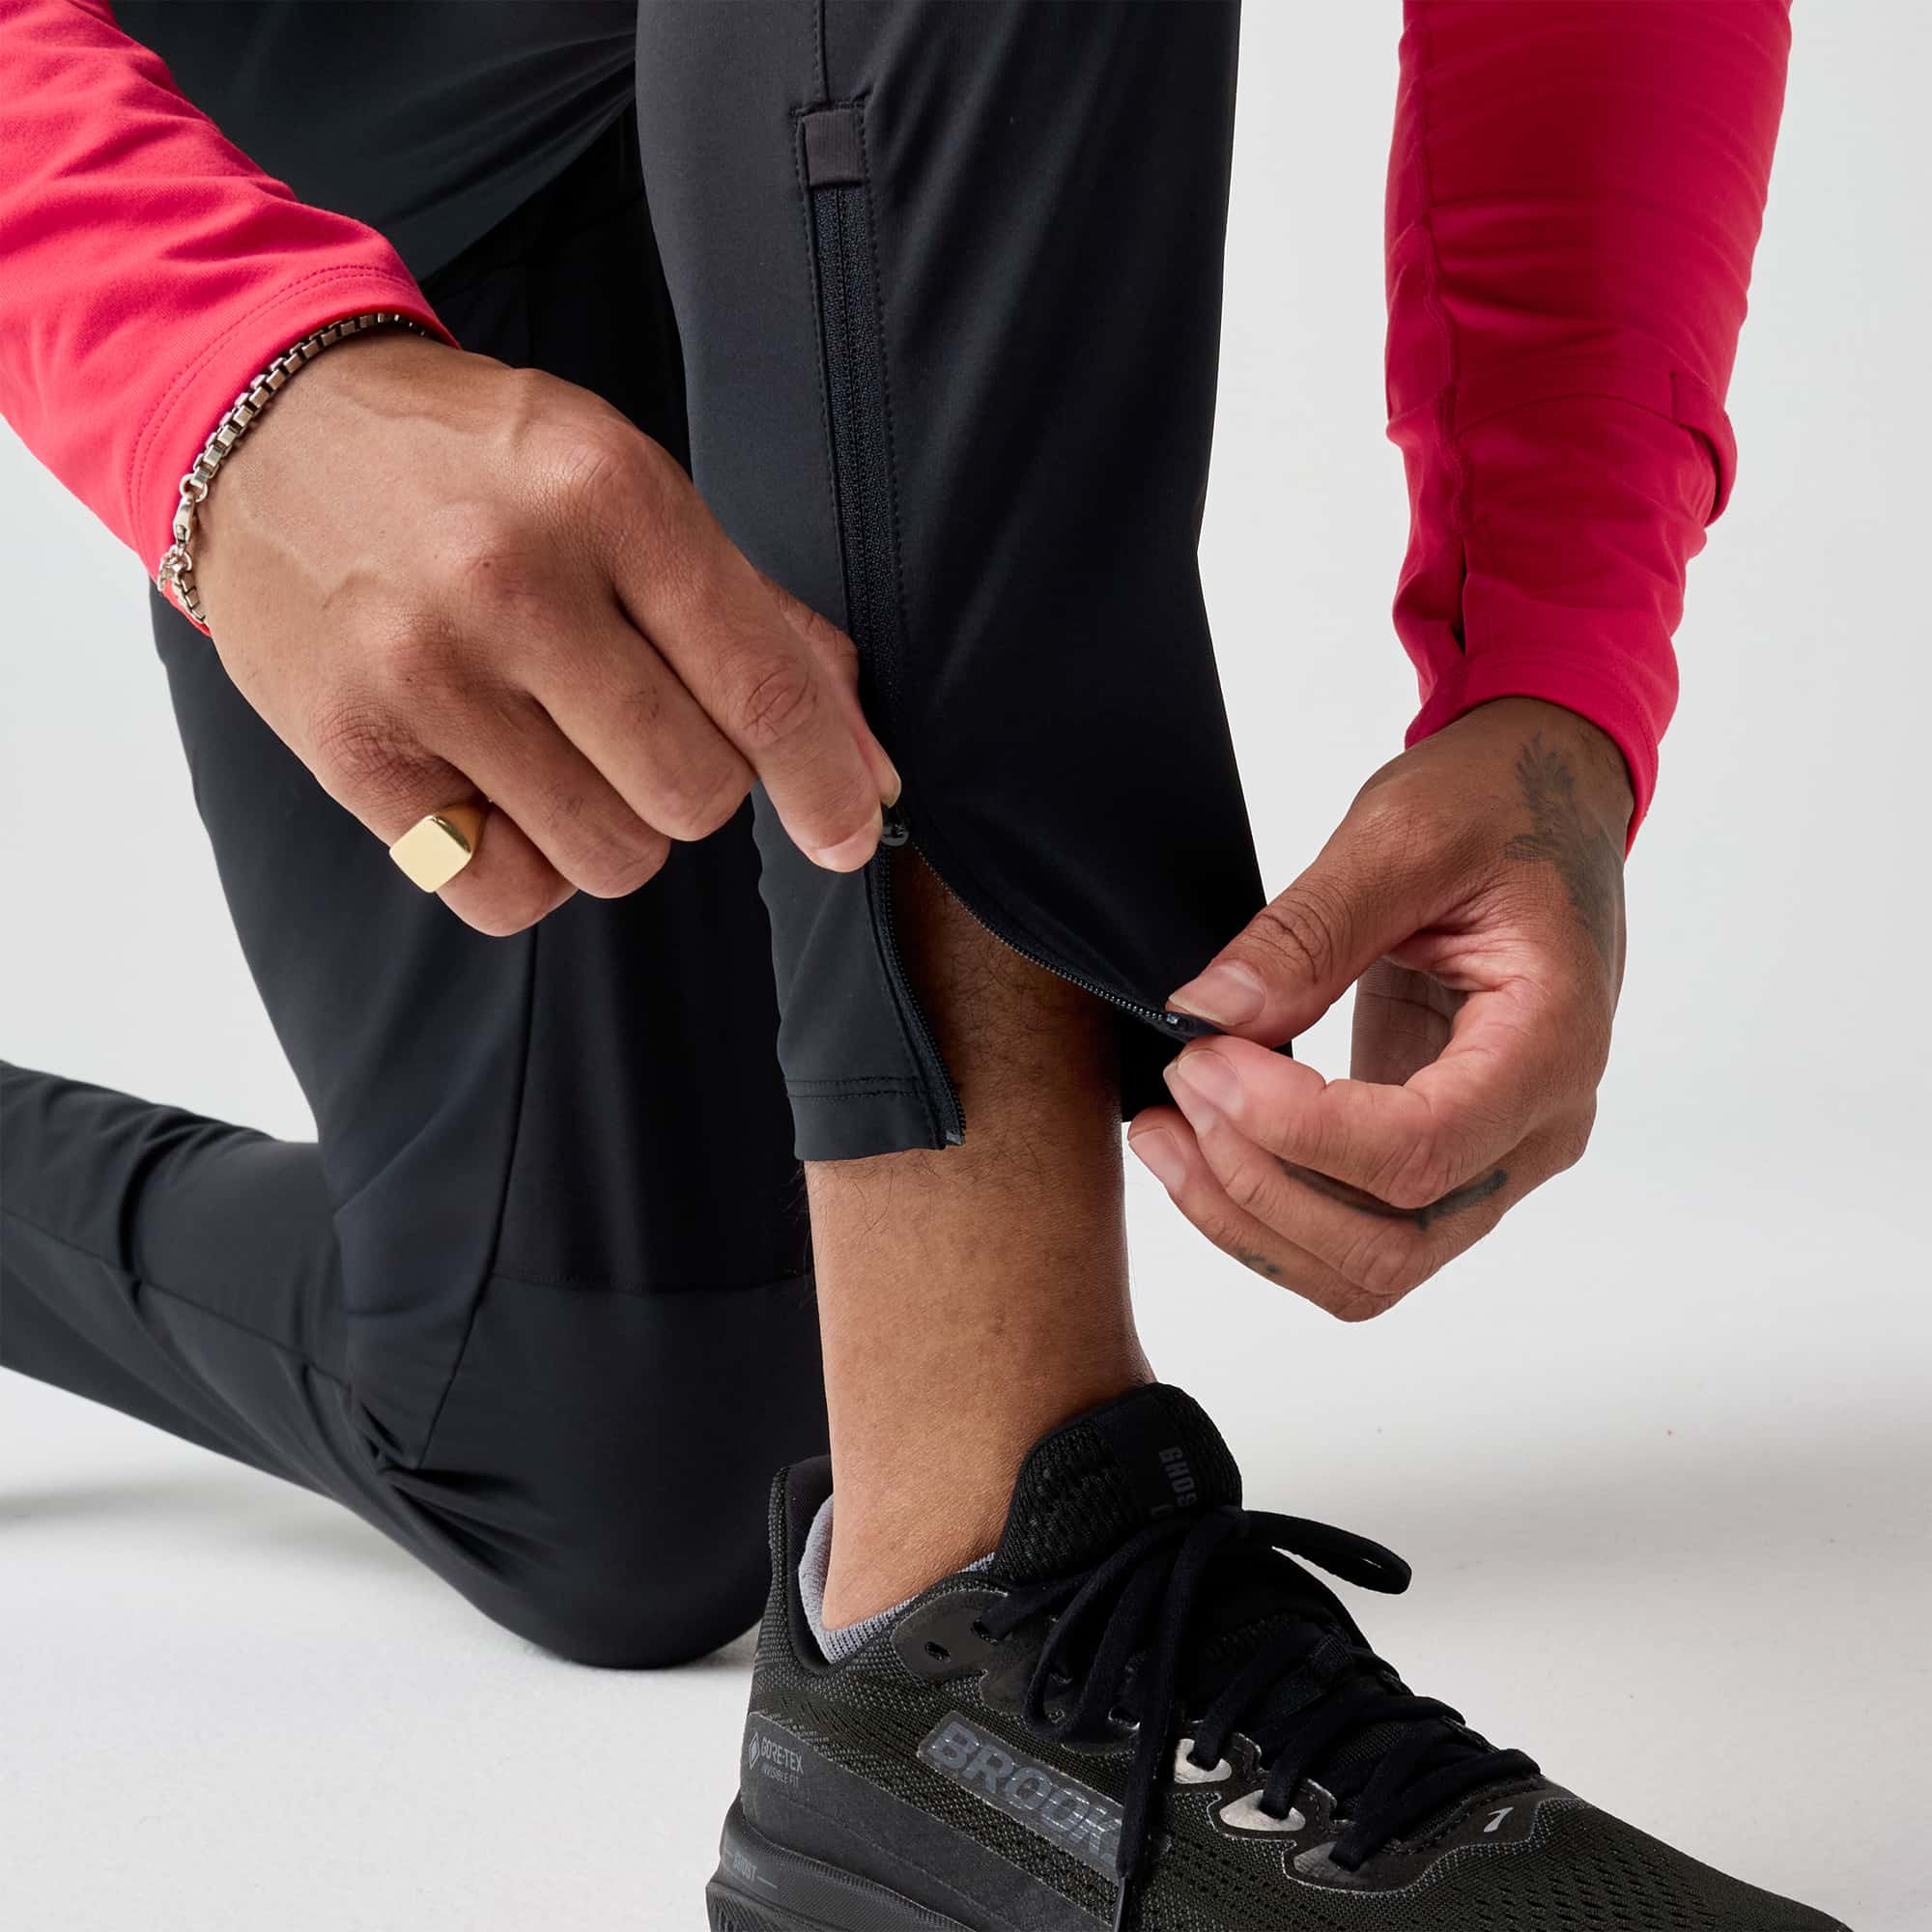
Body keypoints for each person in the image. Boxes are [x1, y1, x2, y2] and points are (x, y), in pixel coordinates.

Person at [1, 3, 1836, 1927]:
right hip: (291, 115)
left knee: (599, 1441)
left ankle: (927, 1587)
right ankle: (984, 1591)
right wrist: (213, 368)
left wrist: (1548, 665)